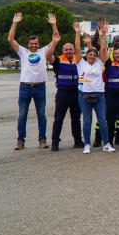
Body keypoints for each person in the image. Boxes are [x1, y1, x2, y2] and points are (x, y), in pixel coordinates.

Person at [8, 12, 61, 150]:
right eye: (31, 43)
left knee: (41, 116)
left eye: (36, 43)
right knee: (22, 116)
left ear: (39, 44)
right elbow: (10, 39)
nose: (33, 46)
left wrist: (54, 25)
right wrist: (15, 23)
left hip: (40, 88)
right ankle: (20, 141)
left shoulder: (44, 51)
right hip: (25, 87)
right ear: (27, 44)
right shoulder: (22, 52)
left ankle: (42, 140)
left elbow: (56, 38)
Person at [77, 22, 115, 154]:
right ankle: (87, 144)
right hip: (84, 96)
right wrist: (77, 33)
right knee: (87, 121)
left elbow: (103, 49)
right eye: (90, 54)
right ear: (86, 55)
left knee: (103, 121)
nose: (92, 56)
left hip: (99, 96)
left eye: (94, 55)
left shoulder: (100, 63)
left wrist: (103, 34)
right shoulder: (80, 63)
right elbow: (77, 48)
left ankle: (107, 144)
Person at [50, 21, 84, 151]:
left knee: (76, 119)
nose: (69, 51)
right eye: (66, 49)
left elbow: (78, 47)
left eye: (70, 49)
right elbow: (48, 56)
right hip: (63, 93)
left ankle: (78, 141)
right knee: (58, 118)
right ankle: (55, 143)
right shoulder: (58, 60)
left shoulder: (78, 59)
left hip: (76, 93)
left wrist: (77, 33)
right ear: (63, 51)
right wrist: (54, 42)